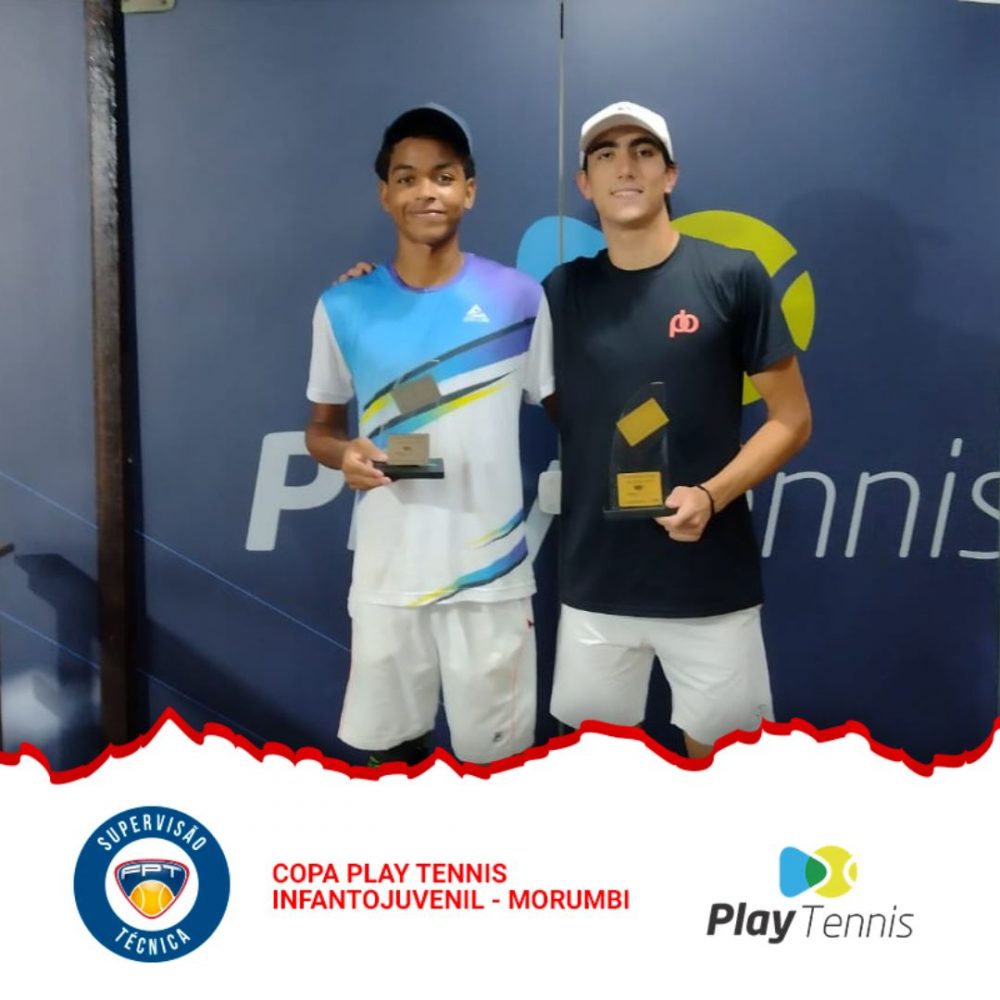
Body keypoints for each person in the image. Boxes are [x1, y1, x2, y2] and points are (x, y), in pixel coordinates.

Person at [529, 100, 813, 758]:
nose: (625, 167)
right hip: (596, 586)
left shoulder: (732, 275)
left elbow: (792, 420)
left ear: (670, 174)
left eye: (643, 152)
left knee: (727, 775)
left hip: (710, 585)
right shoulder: (560, 293)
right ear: (585, 184)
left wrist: (711, 495)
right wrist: (378, 284)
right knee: (597, 779)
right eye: (606, 155)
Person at [305, 105, 547, 766]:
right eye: (407, 178)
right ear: (385, 195)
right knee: (389, 767)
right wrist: (344, 454)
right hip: (388, 580)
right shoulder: (343, 305)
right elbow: (321, 430)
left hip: (492, 581)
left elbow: (567, 409)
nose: (426, 192)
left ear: (469, 190)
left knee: (498, 774)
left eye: (443, 176)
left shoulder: (519, 298)